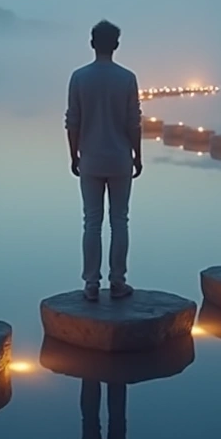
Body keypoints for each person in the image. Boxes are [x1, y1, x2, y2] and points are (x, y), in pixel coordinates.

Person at [65, 19, 142, 301]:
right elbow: (134, 122)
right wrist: (138, 156)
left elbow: (72, 121)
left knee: (92, 223)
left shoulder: (79, 77)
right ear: (116, 45)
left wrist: (74, 155)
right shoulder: (127, 78)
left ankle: (91, 284)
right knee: (120, 221)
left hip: (91, 159)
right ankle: (118, 281)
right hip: (120, 158)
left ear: (92, 43)